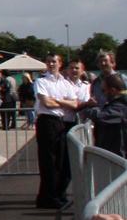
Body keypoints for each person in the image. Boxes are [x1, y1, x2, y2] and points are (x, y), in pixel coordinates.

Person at [35, 55, 86, 209]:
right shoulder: (41, 81)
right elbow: (45, 102)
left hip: (61, 122)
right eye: (49, 61)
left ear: (60, 64)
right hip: (47, 121)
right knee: (48, 161)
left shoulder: (65, 83)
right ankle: (47, 197)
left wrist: (56, 101)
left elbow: (74, 104)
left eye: (54, 61)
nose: (51, 64)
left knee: (60, 160)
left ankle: (56, 194)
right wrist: (63, 103)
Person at [88, 73, 127, 159]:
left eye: (103, 90)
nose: (102, 94)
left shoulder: (122, 104)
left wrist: (91, 109)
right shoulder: (119, 102)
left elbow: (102, 117)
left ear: (113, 90)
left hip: (119, 156)